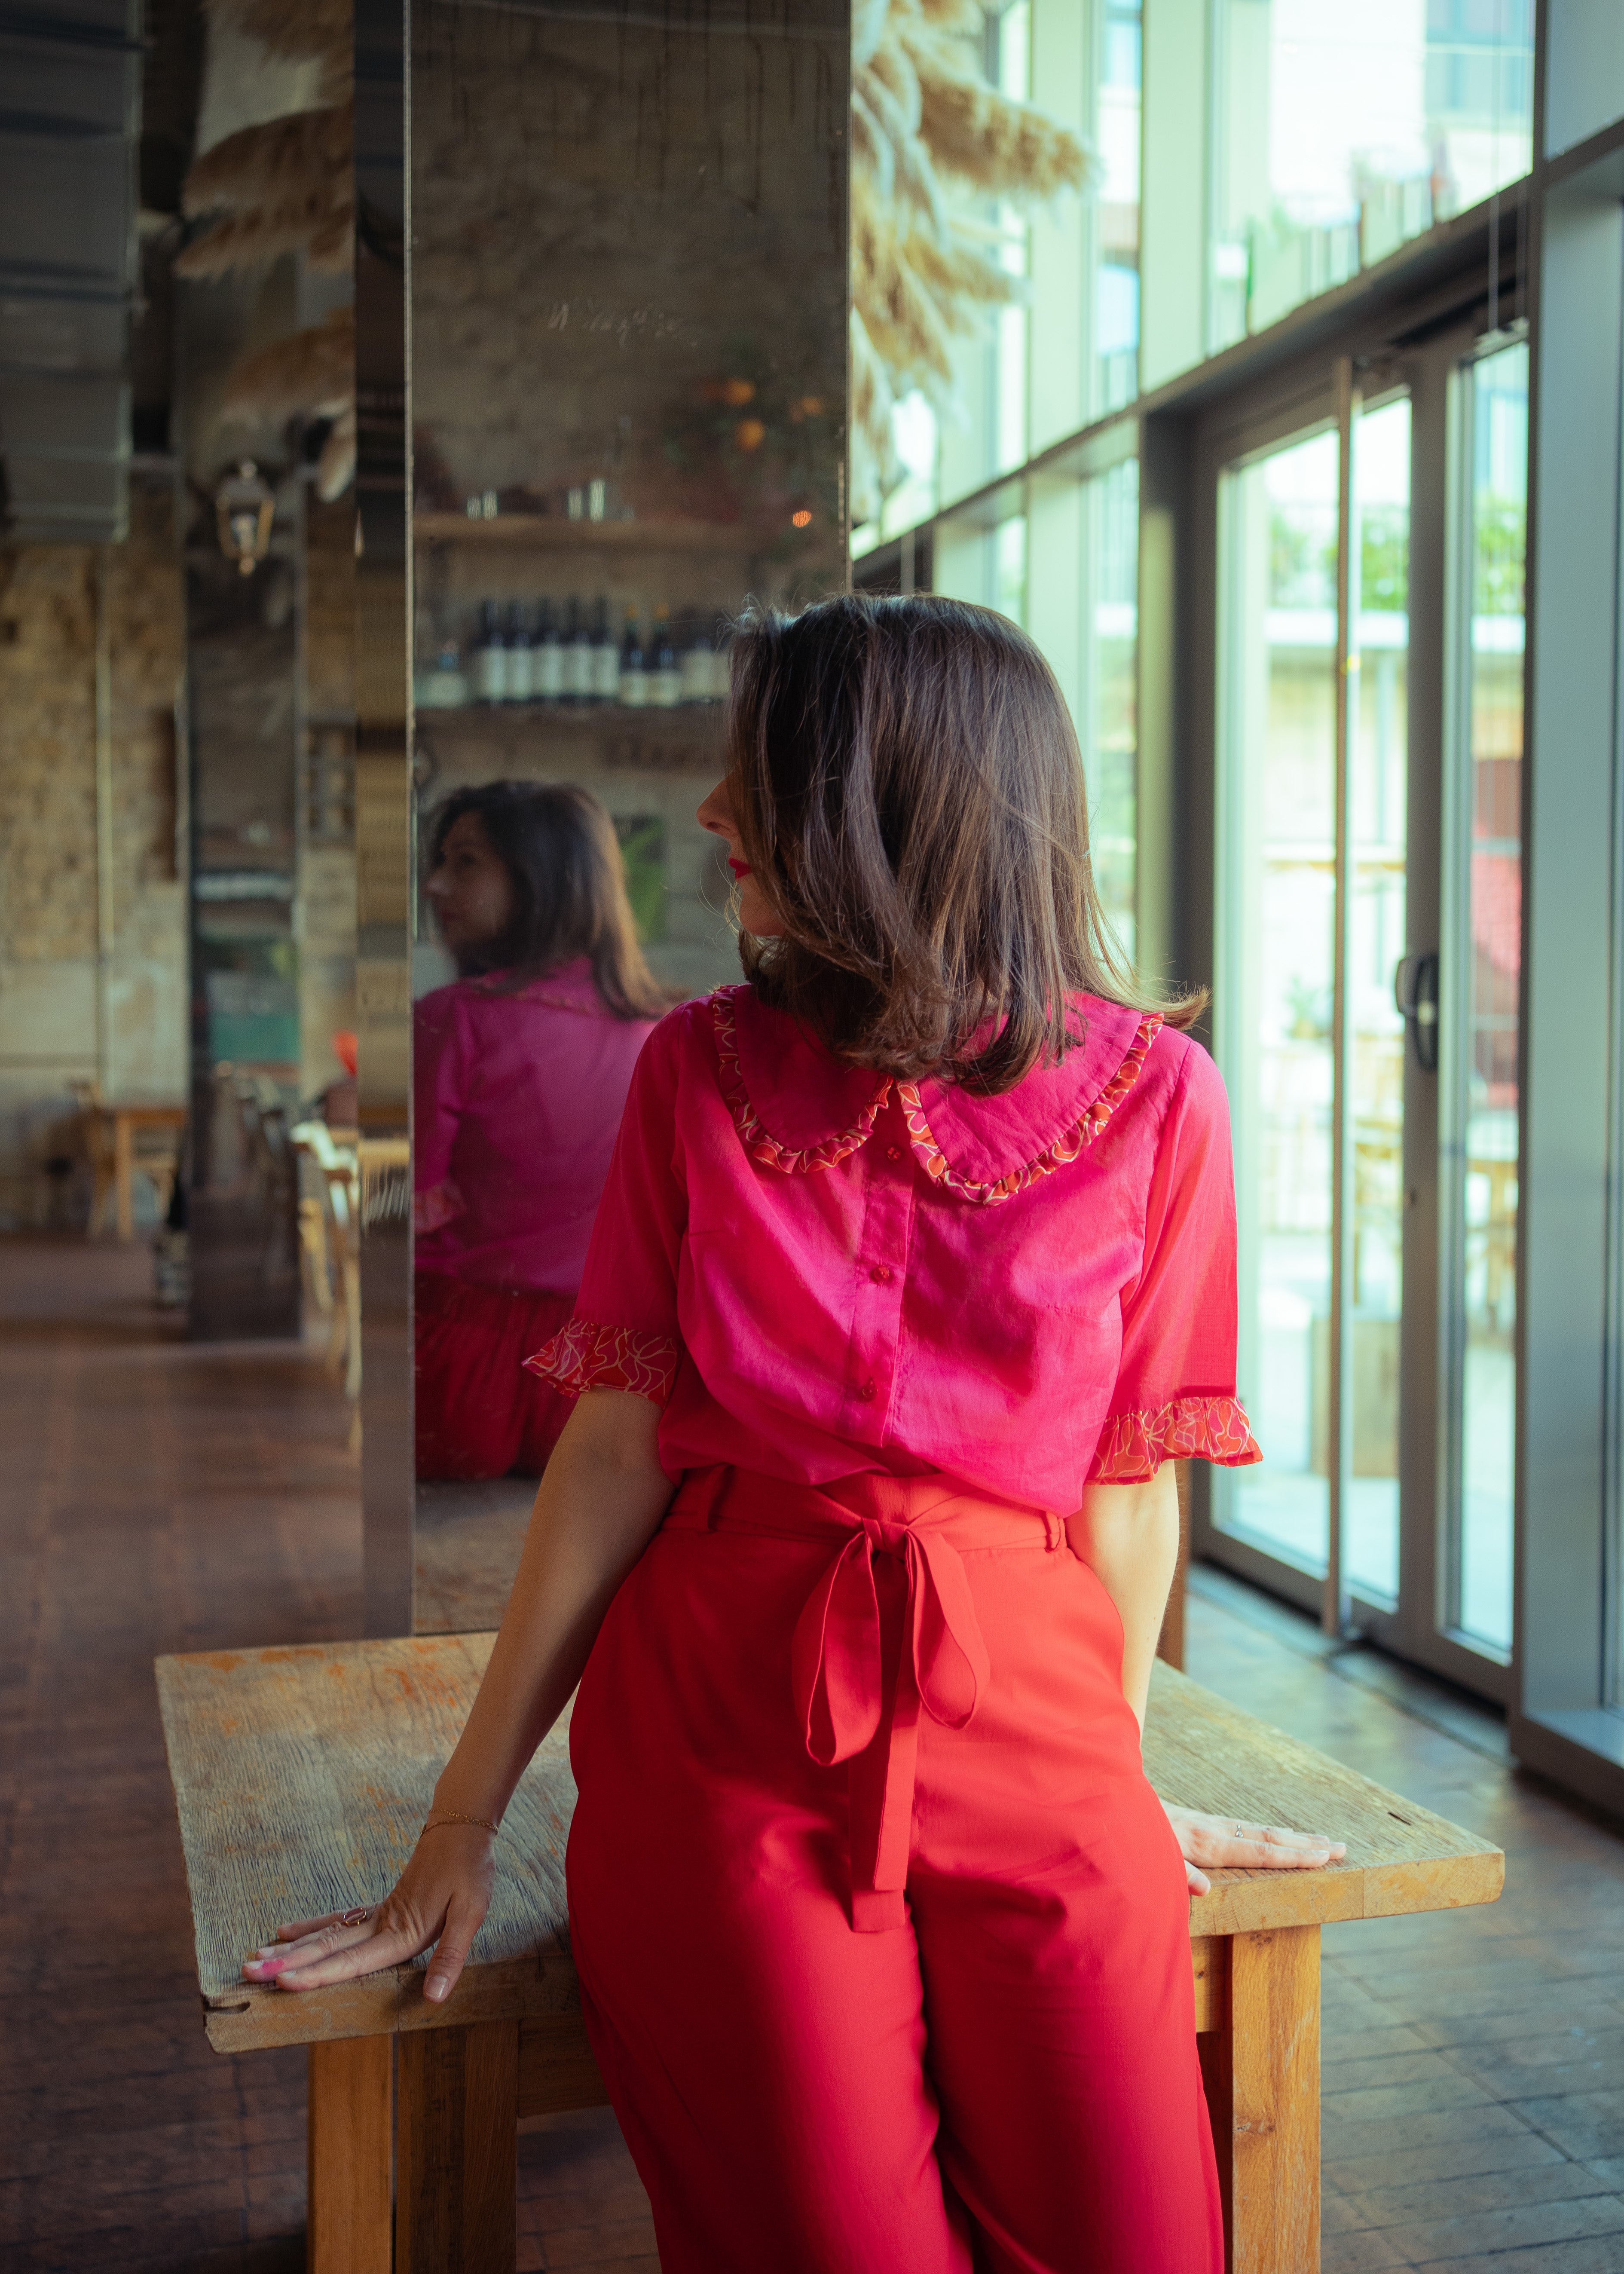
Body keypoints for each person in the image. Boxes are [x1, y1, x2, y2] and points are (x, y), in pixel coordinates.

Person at [250, 597, 1345, 2272]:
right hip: (730, 1733)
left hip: (1045, 1728)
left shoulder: (1163, 1101)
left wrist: (1117, 1776)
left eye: (754, 778)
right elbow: (613, 1455)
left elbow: (1134, 1493)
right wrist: (463, 1820)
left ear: (888, 809)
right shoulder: (693, 1075)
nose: (708, 820)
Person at [412, 780, 664, 1479]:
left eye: (466, 862)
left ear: (540, 878)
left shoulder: (455, 1016)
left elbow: (406, 1203)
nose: (435, 885)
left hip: (457, 1364)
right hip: (604, 1384)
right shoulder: (659, 1033)